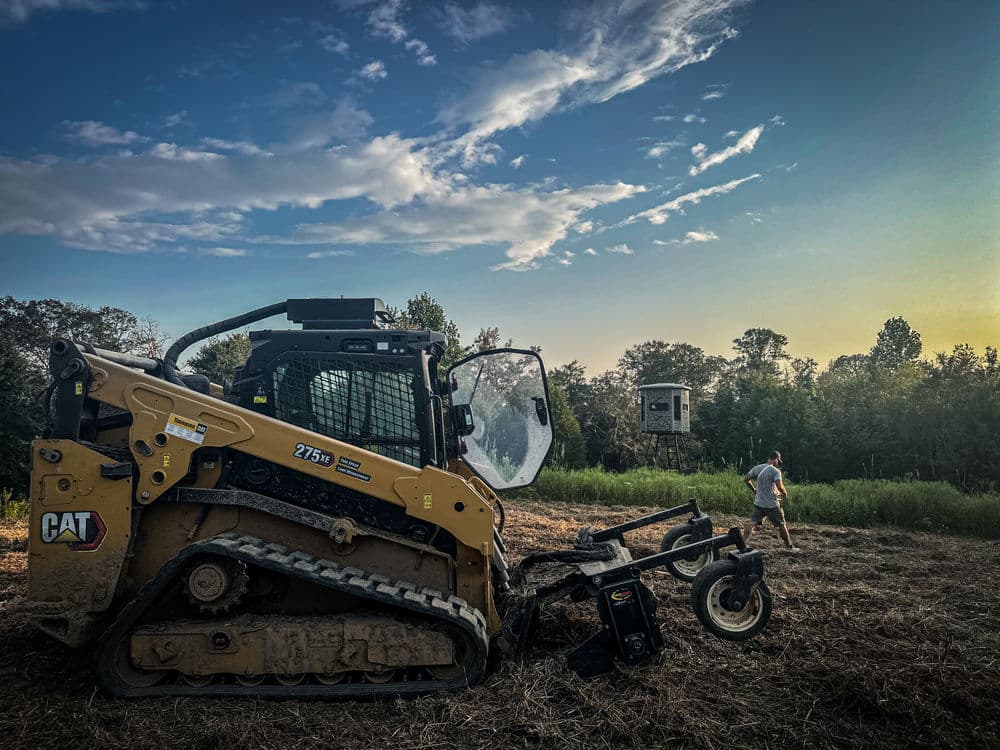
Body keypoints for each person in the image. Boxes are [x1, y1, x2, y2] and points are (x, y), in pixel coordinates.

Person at [743, 450, 798, 550]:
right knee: (782, 524)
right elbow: (780, 486)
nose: (778, 463)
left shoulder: (757, 468)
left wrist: (754, 489)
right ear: (776, 460)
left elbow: (746, 479)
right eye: (778, 461)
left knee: (752, 522)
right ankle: (790, 546)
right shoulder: (775, 471)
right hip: (772, 504)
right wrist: (785, 493)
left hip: (759, 503)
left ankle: (742, 544)